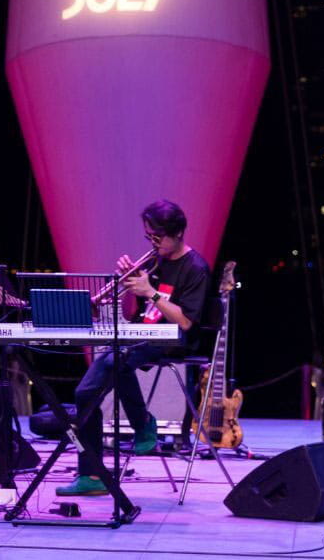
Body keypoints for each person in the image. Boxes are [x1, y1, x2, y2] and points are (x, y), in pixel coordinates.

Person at [57, 199, 212, 496]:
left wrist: (150, 292)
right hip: (143, 334)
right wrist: (131, 283)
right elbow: (143, 311)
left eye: (158, 237)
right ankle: (92, 474)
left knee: (117, 360)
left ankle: (142, 423)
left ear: (178, 233)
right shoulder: (156, 262)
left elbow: (185, 322)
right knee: (84, 393)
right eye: (149, 237)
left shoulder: (196, 268)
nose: (153, 243)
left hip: (174, 339)